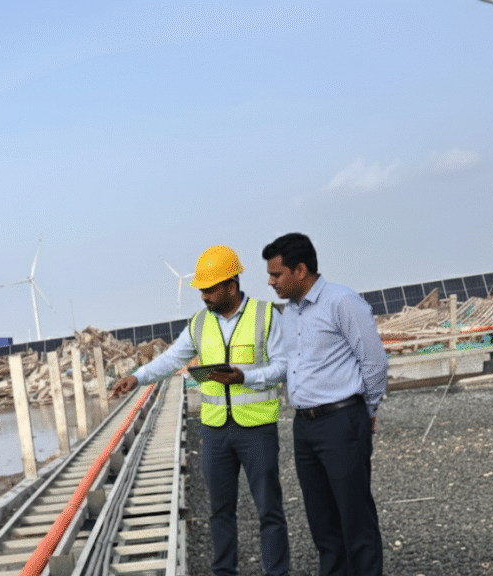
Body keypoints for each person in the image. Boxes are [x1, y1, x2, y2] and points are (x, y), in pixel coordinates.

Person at [112, 245, 289, 576]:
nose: (204, 296)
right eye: (202, 290)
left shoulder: (266, 315)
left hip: (257, 430)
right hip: (215, 431)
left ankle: (277, 572)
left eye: (209, 289)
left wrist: (245, 377)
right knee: (220, 511)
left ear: (231, 286)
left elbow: (284, 367)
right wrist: (136, 377)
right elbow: (171, 359)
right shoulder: (198, 324)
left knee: (269, 510)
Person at [261, 232, 387, 576]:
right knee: (322, 522)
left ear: (300, 270)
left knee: (354, 516)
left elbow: (374, 362)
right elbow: (290, 365)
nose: (270, 281)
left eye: (276, 274)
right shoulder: (291, 313)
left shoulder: (342, 302)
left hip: (342, 419)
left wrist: (367, 411)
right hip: (304, 426)